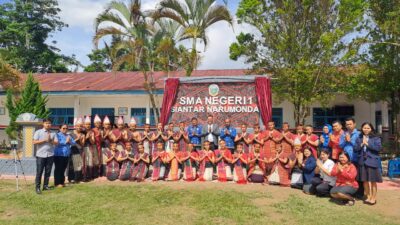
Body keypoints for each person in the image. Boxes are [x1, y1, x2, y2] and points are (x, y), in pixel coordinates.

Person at [354, 122, 382, 205]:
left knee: (373, 181)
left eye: (368, 128)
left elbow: (378, 148)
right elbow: (355, 149)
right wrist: (362, 144)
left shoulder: (376, 138)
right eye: (364, 128)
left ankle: (373, 198)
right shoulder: (359, 138)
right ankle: (368, 196)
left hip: (372, 161)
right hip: (362, 161)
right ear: (362, 129)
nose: (366, 129)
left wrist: (367, 144)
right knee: (365, 181)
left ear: (371, 129)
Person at [33, 119, 59, 194]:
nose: (48, 125)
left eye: (49, 123)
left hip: (50, 155)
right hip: (40, 155)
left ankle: (45, 186)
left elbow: (57, 143)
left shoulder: (53, 133)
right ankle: (37, 187)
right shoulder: (38, 132)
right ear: (43, 124)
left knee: (48, 172)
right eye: (46, 123)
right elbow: (34, 142)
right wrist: (45, 140)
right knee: (39, 172)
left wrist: (50, 140)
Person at [68, 118, 84, 183]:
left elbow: (82, 144)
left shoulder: (82, 134)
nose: (79, 127)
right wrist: (77, 139)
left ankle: (78, 179)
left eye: (80, 126)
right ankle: (71, 178)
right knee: (71, 165)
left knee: (78, 165)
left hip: (79, 150)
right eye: (78, 126)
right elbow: (69, 142)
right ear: (75, 126)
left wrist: (80, 140)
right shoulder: (70, 134)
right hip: (72, 150)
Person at [82, 116, 96, 181]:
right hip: (83, 148)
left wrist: (90, 138)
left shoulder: (92, 132)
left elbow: (93, 142)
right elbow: (81, 142)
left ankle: (90, 176)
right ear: (84, 124)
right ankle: (84, 176)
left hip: (89, 147)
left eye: (89, 124)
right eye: (86, 124)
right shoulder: (82, 131)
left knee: (90, 161)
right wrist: (86, 137)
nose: (88, 125)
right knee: (83, 162)